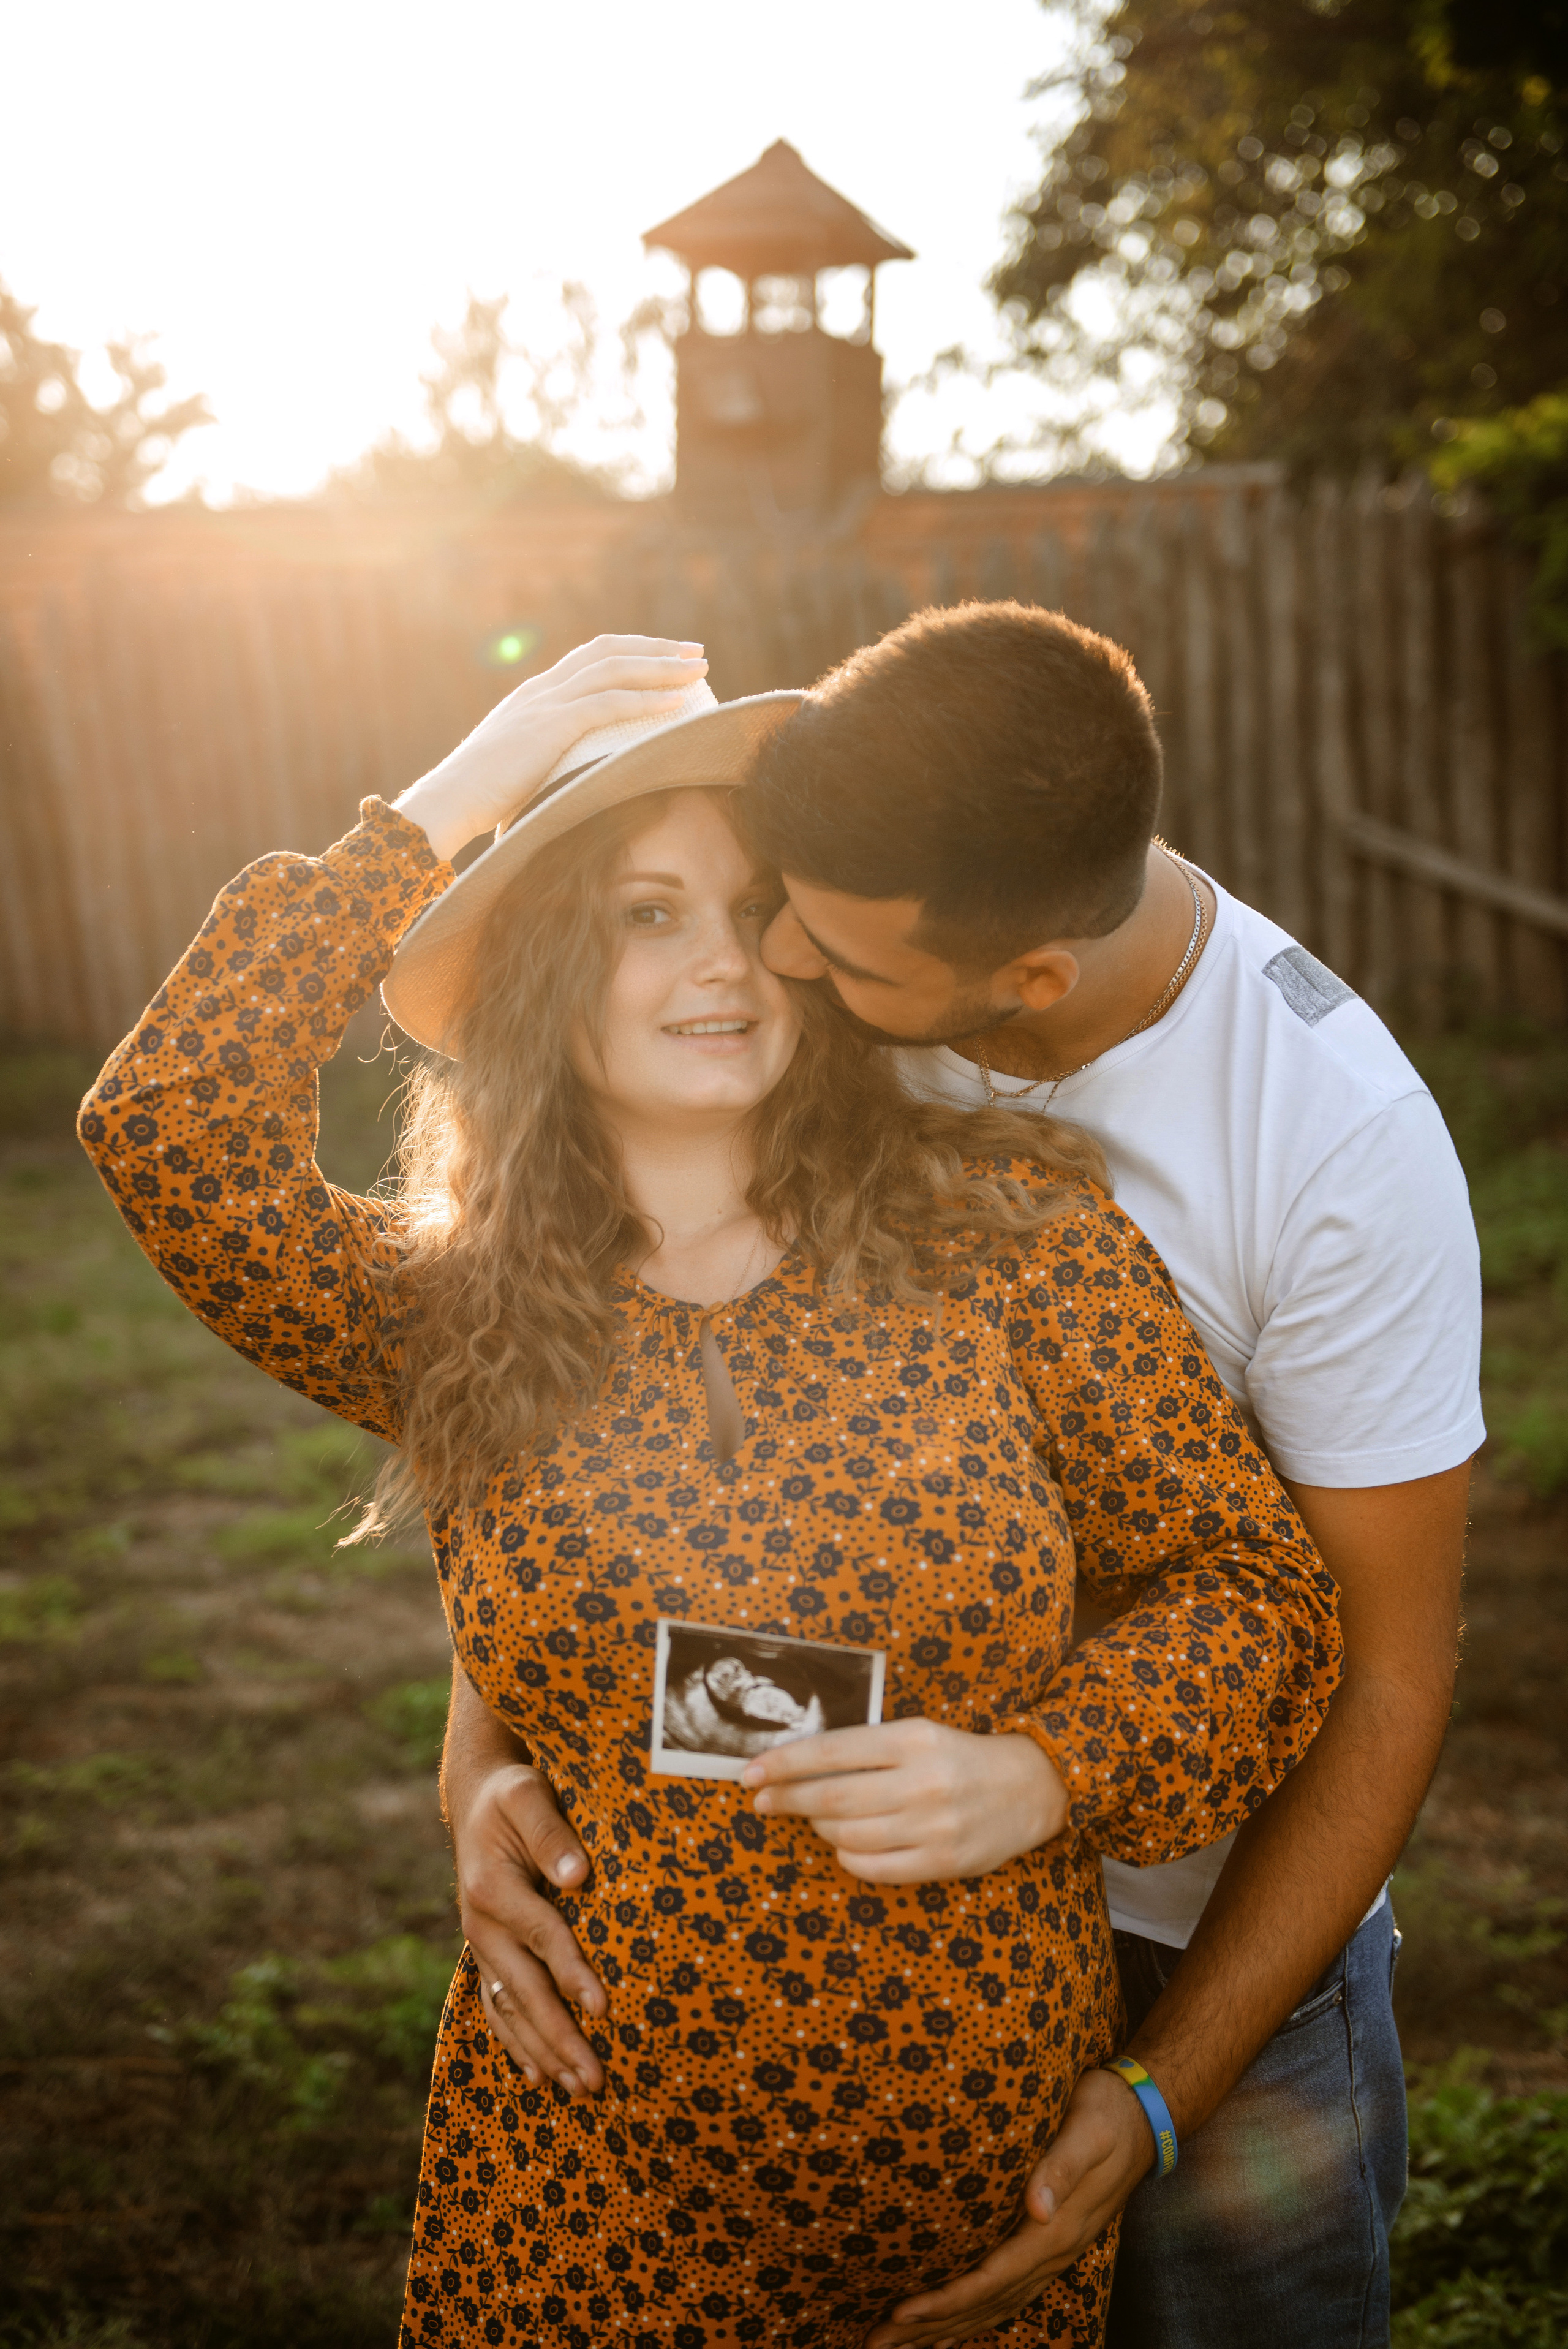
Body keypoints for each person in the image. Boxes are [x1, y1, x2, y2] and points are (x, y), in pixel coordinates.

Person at [77, 636, 1340, 2349]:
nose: (724, 965)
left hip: (966, 2228)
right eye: (647, 912)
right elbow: (170, 1116)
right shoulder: (454, 1313)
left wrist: (1046, 1771)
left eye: (756, 912)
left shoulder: (1011, 1234)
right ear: (544, 959)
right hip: (588, 2207)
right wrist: (470, 782)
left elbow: (1253, 1588)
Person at [454, 607, 1480, 2349]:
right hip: (866, 1946)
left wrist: (1161, 2094)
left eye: (828, 953)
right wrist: (484, 1768)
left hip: (1208, 1935)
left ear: (1024, 996)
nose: (769, 958)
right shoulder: (855, 944)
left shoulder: (1335, 1150)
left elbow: (1389, 1671)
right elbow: (601, 1422)